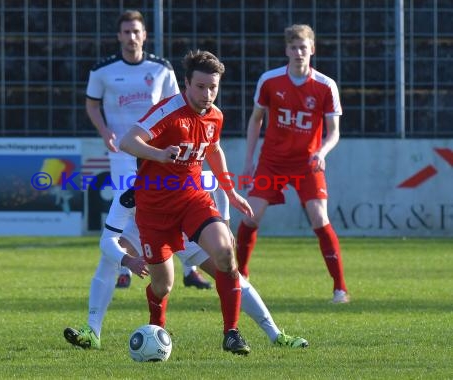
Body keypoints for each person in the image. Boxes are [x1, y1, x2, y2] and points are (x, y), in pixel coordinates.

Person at [64, 175, 310, 350]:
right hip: (145, 229)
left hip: (187, 228)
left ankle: (275, 335)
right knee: (144, 277)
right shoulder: (130, 190)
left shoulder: (187, 177)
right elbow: (107, 240)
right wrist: (129, 260)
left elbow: (219, 185)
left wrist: (223, 225)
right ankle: (92, 332)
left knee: (229, 272)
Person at [119, 50, 254, 355]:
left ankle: (231, 332)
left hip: (193, 199)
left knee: (224, 254)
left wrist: (230, 192)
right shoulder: (168, 112)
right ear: (186, 84)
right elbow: (127, 141)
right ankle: (157, 329)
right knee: (163, 286)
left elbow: (214, 150)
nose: (208, 94)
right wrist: (158, 153)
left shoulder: (215, 115)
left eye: (213, 87)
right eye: (201, 87)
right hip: (154, 210)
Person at [85, 9, 211, 290]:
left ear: (145, 35)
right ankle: (125, 268)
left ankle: (191, 269)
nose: (132, 37)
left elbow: (180, 106)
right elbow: (91, 105)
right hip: (123, 152)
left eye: (136, 31)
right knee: (126, 204)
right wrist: (105, 131)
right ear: (119, 36)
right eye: (126, 32)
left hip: (161, 155)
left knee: (178, 202)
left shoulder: (161, 68)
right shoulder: (103, 71)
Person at [235, 24, 350, 304]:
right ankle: (240, 277)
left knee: (320, 219)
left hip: (307, 164)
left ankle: (340, 289)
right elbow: (256, 120)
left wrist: (322, 151)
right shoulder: (270, 81)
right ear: (286, 50)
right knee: (250, 216)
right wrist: (249, 161)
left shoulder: (325, 85)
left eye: (304, 47)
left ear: (312, 49)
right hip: (272, 161)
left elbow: (334, 130)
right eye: (293, 47)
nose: (299, 52)